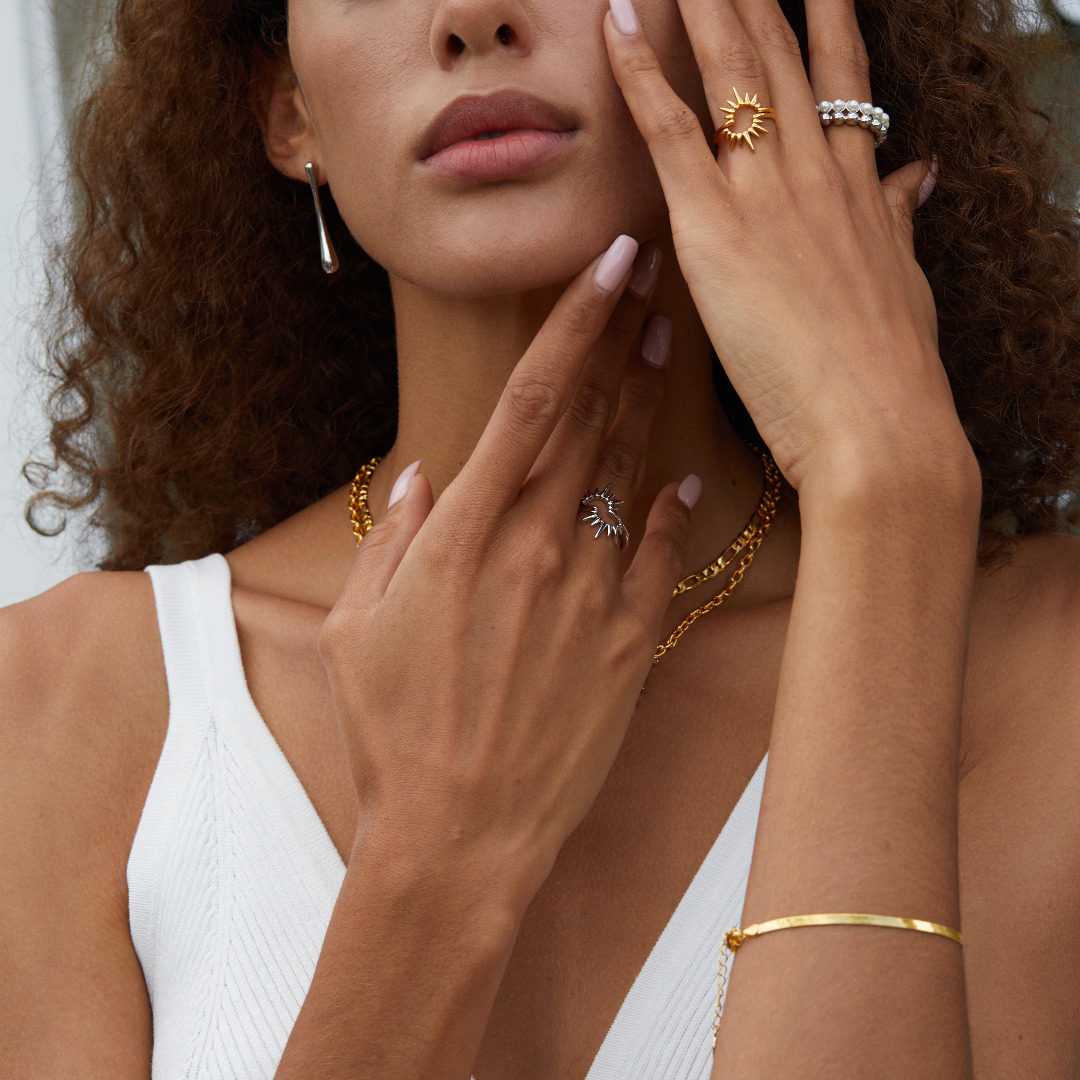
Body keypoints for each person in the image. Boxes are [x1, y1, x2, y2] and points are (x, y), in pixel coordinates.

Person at [2, 0, 1079, 1075]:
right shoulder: (61, 703)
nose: (474, 17)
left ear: (759, 40)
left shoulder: (1045, 662)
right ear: (290, 112)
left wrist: (886, 491)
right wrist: (433, 868)